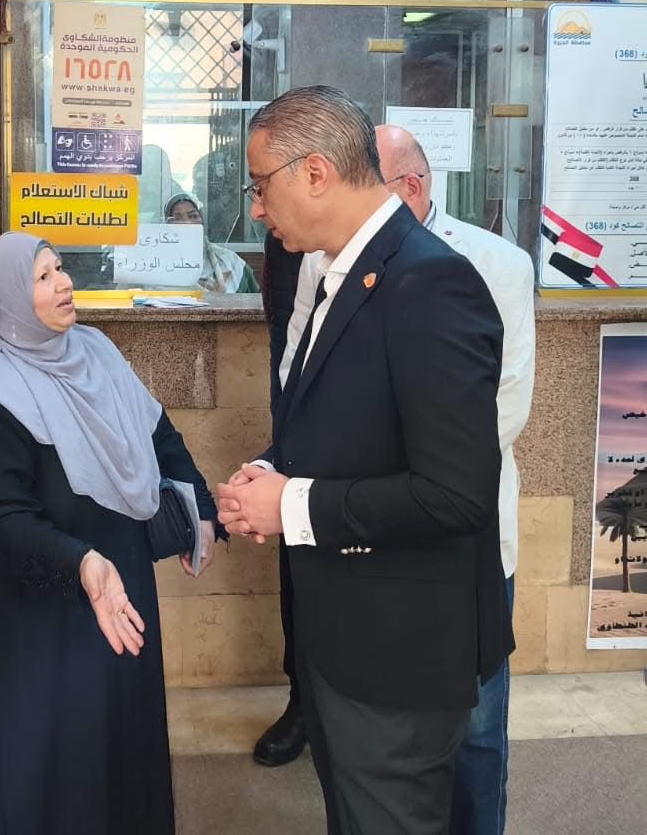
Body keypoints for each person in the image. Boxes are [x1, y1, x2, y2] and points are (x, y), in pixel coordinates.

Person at [219, 86, 510, 835]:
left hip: (398, 656)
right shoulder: (334, 269)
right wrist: (270, 472)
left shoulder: (430, 283)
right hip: (344, 638)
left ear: (316, 172)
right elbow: (344, 421)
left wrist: (291, 505)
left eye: (261, 185)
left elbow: (455, 495)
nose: (258, 208)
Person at [0, 232, 218, 834]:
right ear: (6, 298)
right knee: (60, 777)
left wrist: (201, 507)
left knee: (126, 752)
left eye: (60, 268)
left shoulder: (96, 354)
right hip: (36, 623)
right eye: (41, 277)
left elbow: (159, 434)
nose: (63, 283)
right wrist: (81, 563)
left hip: (118, 596)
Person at [165, 191, 259, 294]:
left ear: (202, 220)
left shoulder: (230, 261)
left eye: (193, 216)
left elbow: (257, 300)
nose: (187, 223)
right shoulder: (159, 265)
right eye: (177, 218)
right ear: (168, 225)